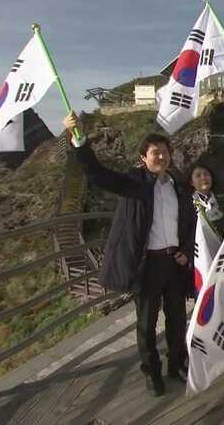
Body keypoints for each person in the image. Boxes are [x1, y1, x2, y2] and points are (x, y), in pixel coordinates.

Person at [63, 112, 193, 397]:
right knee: (146, 324)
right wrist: (79, 139)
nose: (161, 157)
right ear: (143, 158)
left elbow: (188, 221)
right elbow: (97, 174)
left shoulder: (178, 186)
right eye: (154, 153)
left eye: (165, 152)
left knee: (176, 319)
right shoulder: (135, 184)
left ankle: (176, 365)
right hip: (148, 263)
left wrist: (185, 250)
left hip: (174, 262)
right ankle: (151, 373)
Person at [189, 163, 224, 238]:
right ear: (192, 182)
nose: (203, 178)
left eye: (206, 174)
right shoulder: (188, 205)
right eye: (198, 176)